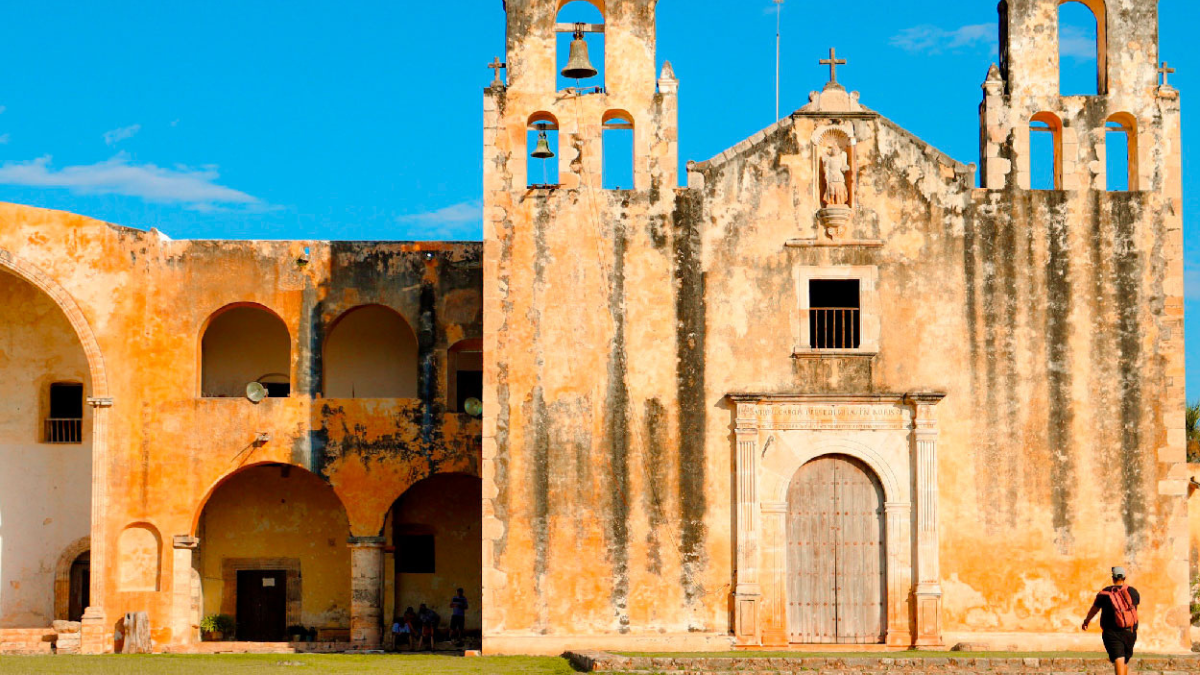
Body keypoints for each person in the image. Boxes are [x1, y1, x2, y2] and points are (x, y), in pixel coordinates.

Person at [1082, 566, 1141, 675]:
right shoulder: (1133, 592)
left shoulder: (1105, 593)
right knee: (1124, 661)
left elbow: (1094, 609)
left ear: (1113, 578)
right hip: (1130, 631)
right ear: (1124, 577)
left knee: (1119, 658)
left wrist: (1087, 621)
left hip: (1112, 632)